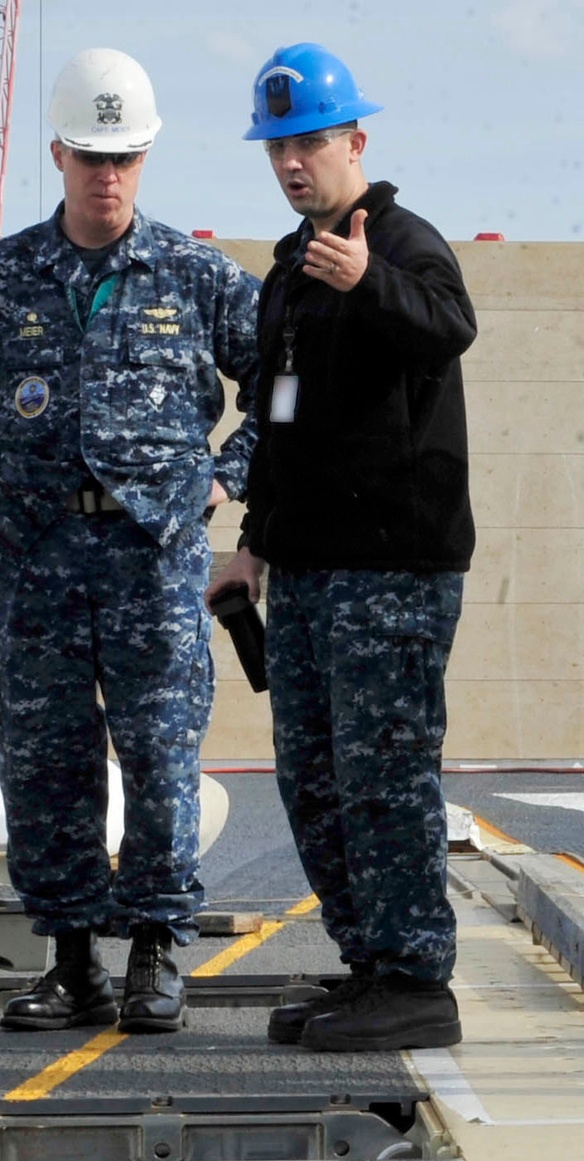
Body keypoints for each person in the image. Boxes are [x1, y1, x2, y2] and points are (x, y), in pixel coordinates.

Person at [0, 48, 260, 1034]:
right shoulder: (0, 278)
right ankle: (75, 962)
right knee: (46, 763)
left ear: (148, 152)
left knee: (161, 760)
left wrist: (231, 472)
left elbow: (291, 384)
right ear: (57, 153)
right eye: (90, 155)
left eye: (124, 155)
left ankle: (157, 953)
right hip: (37, 562)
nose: (107, 175)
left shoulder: (198, 275)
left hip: (153, 559)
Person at [208, 42, 476, 1053]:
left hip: (393, 572)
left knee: (387, 774)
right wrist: (250, 547)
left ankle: (416, 981)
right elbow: (278, 421)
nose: (292, 162)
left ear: (355, 141)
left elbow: (448, 330)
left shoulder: (403, 244)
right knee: (312, 777)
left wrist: (370, 281)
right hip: (309, 574)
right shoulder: (287, 273)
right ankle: (369, 966)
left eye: (311, 141)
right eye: (278, 145)